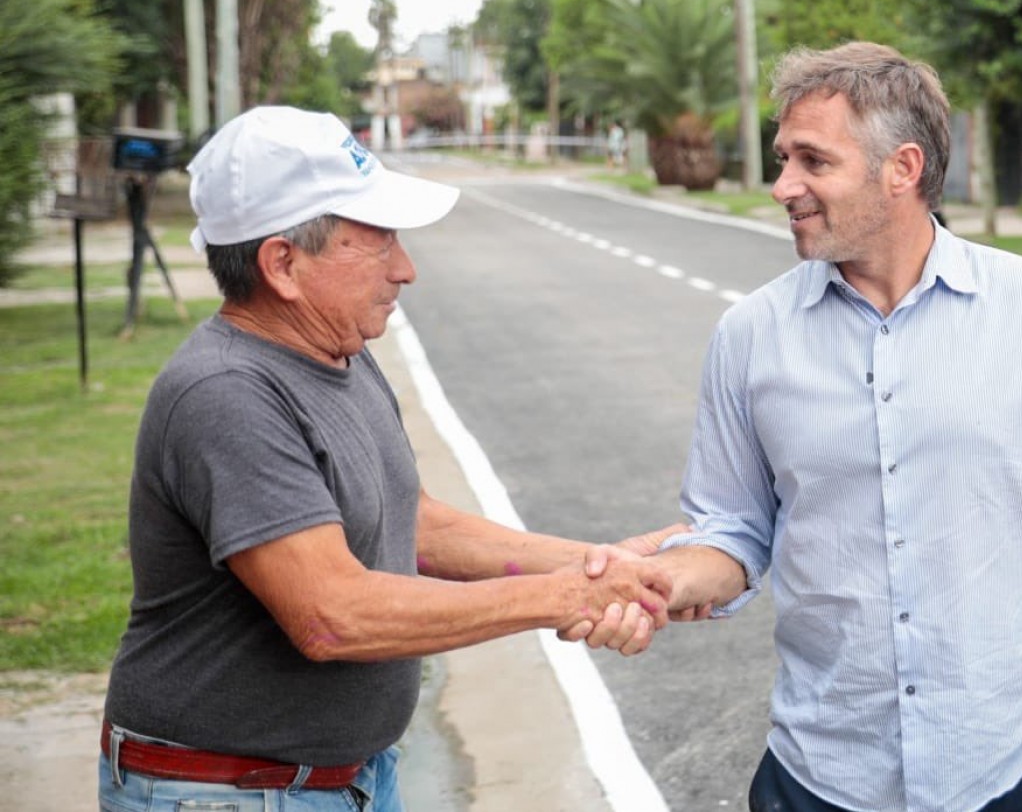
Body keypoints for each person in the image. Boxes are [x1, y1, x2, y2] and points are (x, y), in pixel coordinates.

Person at [652, 43, 1022, 811]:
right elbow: (734, 531)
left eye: (813, 161)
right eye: (784, 159)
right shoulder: (749, 336)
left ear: (902, 169)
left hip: (1016, 768)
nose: (783, 186)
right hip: (822, 775)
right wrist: (665, 578)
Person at [99, 106, 677, 812]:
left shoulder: (338, 351)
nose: (405, 269)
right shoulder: (227, 394)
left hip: (340, 779)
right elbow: (331, 614)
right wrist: (567, 598)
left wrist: (601, 565)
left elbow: (415, 523)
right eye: (377, 244)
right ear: (282, 263)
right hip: (227, 791)